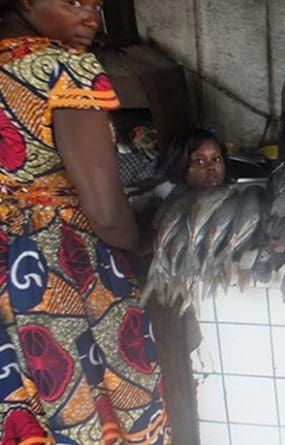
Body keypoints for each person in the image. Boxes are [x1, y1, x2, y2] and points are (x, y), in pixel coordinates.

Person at [0, 1, 171, 443]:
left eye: (96, 3)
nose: (91, 15)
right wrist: (143, 241)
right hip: (62, 276)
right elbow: (110, 216)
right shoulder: (63, 68)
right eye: (74, 1)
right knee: (98, 411)